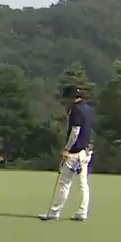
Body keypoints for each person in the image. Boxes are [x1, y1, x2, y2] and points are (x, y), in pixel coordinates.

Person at [42, 85, 93, 221]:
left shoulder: (76, 110)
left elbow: (75, 131)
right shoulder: (87, 109)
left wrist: (66, 149)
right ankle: (82, 212)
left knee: (64, 182)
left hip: (74, 153)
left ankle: (54, 212)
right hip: (86, 151)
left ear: (71, 98)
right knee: (83, 183)